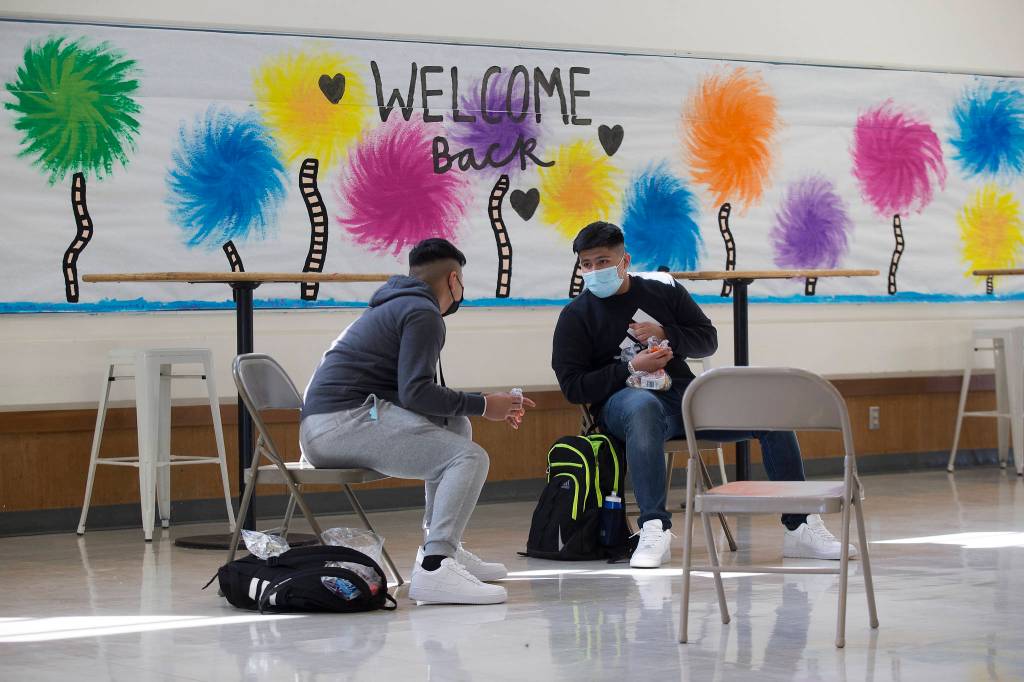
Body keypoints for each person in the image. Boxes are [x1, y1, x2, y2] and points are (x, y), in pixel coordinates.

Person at [551, 222, 857, 569]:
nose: (594, 271)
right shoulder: (576, 316)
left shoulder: (662, 292)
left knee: (770, 411)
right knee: (642, 407)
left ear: (624, 260)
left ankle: (800, 525)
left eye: (603, 261)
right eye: (586, 264)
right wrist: (630, 367)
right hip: (623, 405)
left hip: (682, 397)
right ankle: (654, 527)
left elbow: (707, 339)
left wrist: (668, 334)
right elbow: (572, 386)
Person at [301, 238, 534, 604]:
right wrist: (484, 404)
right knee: (469, 457)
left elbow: (416, 396)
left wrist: (482, 404)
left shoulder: (396, 305)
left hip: (328, 425)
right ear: (453, 279)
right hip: (339, 424)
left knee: (453, 425)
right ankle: (436, 568)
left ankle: (440, 549)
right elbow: (416, 393)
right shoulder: (422, 313)